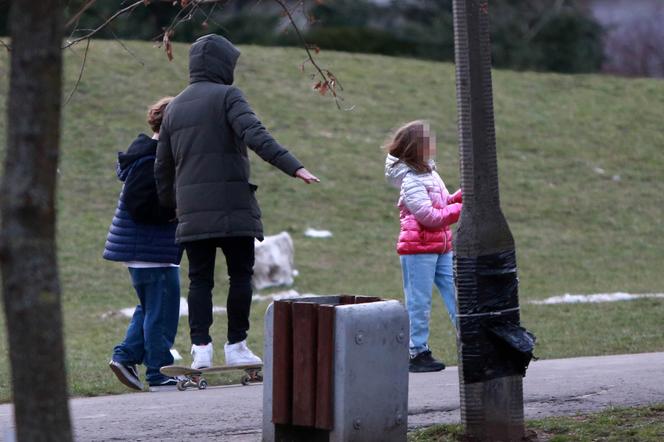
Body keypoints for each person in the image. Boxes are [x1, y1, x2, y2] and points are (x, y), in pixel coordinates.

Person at [155, 34, 319, 370]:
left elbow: (163, 166)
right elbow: (256, 134)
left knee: (199, 279)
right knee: (240, 275)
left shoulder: (174, 109)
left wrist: (173, 205)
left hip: (191, 213)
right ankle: (237, 346)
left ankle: (201, 350)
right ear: (223, 64)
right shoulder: (229, 96)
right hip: (233, 208)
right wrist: (295, 167)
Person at [104, 97, 184, 391]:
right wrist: (176, 213)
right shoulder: (150, 160)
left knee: (150, 307)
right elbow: (140, 207)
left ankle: (125, 357)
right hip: (150, 251)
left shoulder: (149, 155)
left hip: (147, 252)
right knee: (161, 312)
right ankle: (158, 372)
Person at [384, 120, 463, 373]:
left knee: (458, 294)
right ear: (416, 146)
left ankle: (473, 343)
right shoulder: (411, 181)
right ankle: (417, 352)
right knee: (419, 301)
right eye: (428, 141)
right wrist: (463, 208)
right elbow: (429, 216)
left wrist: (463, 195)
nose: (432, 145)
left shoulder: (429, 173)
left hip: (441, 246)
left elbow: (444, 203)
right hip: (418, 249)